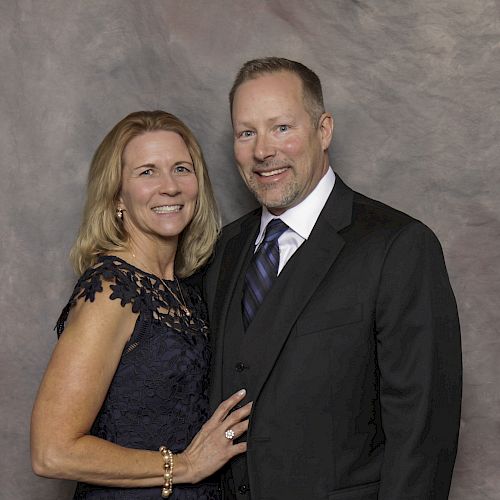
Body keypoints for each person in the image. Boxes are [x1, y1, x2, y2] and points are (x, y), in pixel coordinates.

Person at [203, 58, 462, 499]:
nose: (263, 150)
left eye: (282, 127)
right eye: (247, 132)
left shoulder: (398, 246)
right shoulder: (224, 248)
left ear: (324, 131)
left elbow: (422, 433)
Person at [31, 110, 251, 499]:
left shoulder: (189, 289)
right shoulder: (111, 291)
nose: (169, 187)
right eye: (147, 172)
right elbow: (52, 451)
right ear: (117, 195)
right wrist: (183, 466)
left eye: (181, 168)